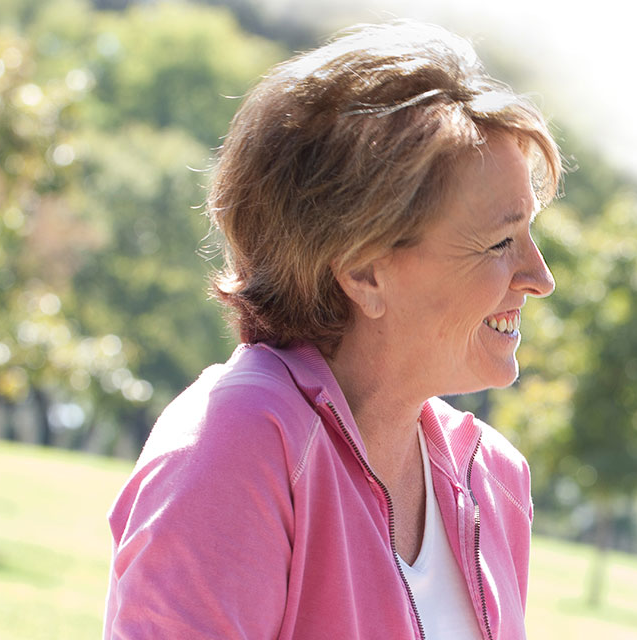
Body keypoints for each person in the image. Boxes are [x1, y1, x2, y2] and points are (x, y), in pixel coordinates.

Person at [104, 20, 561, 639]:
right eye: (501, 242)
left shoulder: (495, 479)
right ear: (364, 270)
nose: (539, 276)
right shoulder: (235, 446)